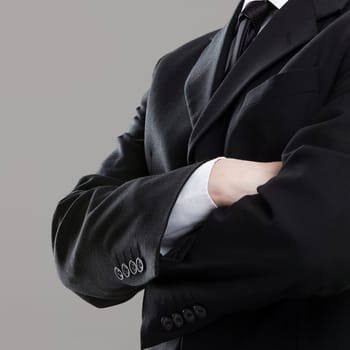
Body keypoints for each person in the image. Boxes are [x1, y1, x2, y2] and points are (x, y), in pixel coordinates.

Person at [51, 0, 350, 349]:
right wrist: (209, 182)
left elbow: (315, 237)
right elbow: (76, 246)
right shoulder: (175, 67)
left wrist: (153, 251)